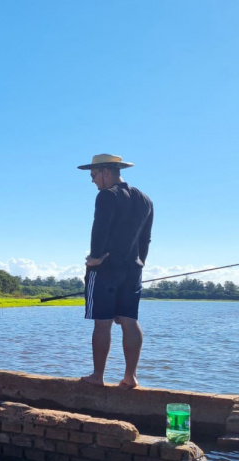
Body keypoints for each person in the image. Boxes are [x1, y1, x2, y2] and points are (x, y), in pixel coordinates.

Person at [77, 154, 154, 389]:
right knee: (130, 321)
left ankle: (97, 376)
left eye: (93, 176)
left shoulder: (106, 196)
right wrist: (140, 262)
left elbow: (99, 228)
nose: (92, 181)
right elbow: (146, 239)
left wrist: (95, 258)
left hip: (105, 270)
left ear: (105, 172)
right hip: (133, 269)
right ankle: (130, 377)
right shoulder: (145, 200)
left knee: (102, 323)